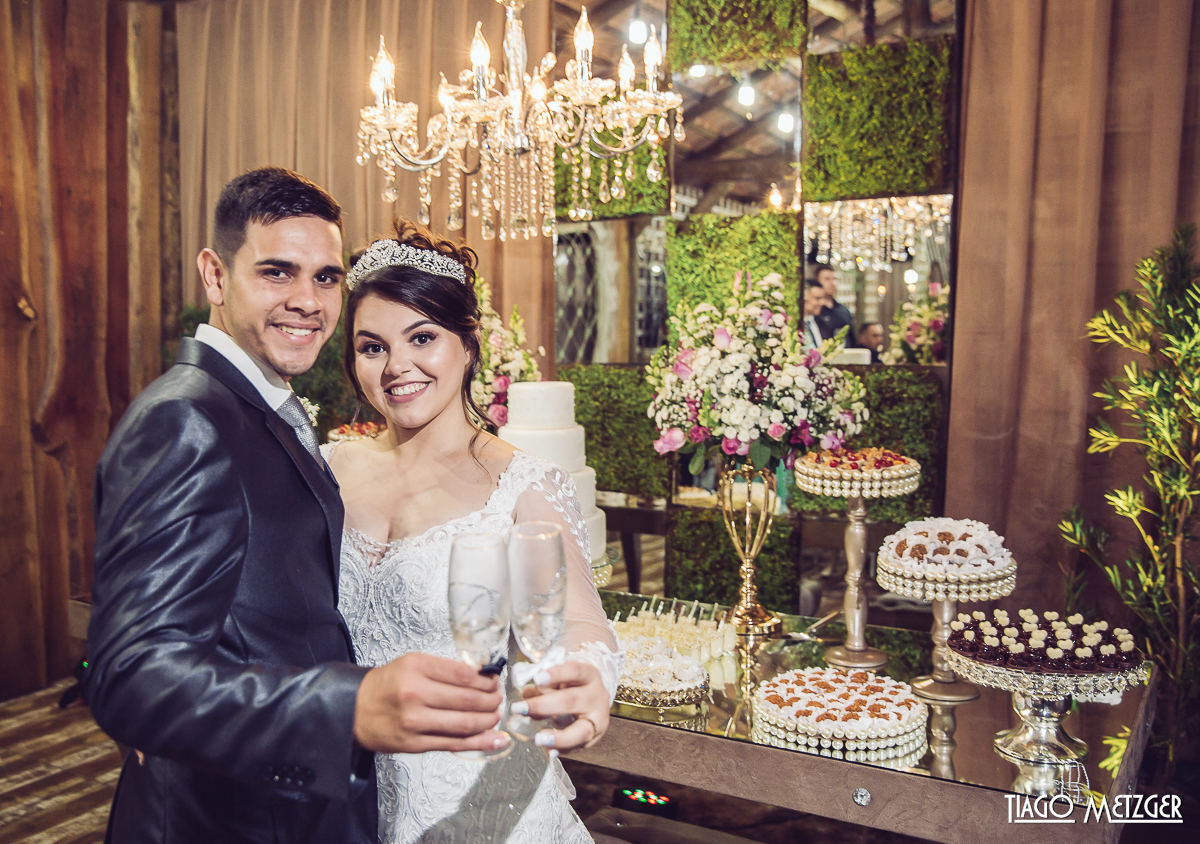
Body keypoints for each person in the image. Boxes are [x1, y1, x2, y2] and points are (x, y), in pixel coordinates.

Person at [84, 168, 508, 844]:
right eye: (277, 272)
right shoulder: (185, 419)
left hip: (285, 804)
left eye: (326, 277)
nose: (307, 301)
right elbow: (130, 677)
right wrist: (348, 706)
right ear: (215, 276)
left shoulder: (262, 406)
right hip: (220, 821)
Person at [326, 220, 621, 844]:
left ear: (468, 343)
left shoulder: (523, 484)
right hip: (351, 803)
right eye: (372, 347)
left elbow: (579, 621)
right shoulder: (329, 468)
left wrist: (588, 675)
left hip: (485, 806)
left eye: (422, 337)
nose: (396, 366)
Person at [814, 263, 856, 347]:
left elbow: (852, 339)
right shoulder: (815, 310)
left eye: (834, 279)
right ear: (817, 281)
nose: (832, 283)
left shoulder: (843, 310)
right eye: (827, 279)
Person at [802, 280, 827, 350]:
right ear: (804, 298)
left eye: (823, 298)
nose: (822, 302)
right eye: (817, 298)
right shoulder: (794, 324)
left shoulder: (823, 324)